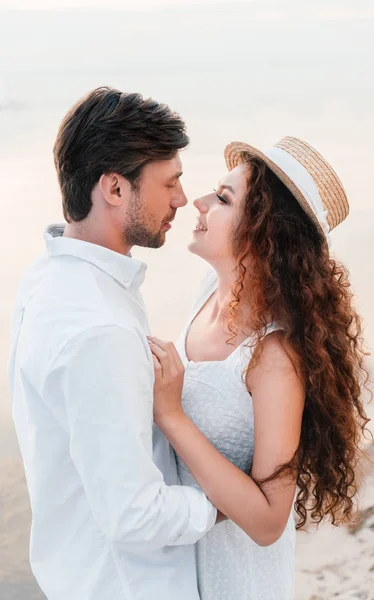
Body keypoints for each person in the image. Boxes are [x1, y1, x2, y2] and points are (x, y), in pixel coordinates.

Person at [8, 86, 218, 600]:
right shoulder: (98, 325)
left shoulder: (48, 281)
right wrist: (220, 500)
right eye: (169, 183)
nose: (182, 200)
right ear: (115, 189)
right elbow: (134, 515)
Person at [148, 137, 370, 599]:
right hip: (178, 562)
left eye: (224, 198)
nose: (200, 202)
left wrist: (170, 416)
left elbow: (270, 519)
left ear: (264, 232)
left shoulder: (274, 355)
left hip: (238, 578)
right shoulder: (207, 291)